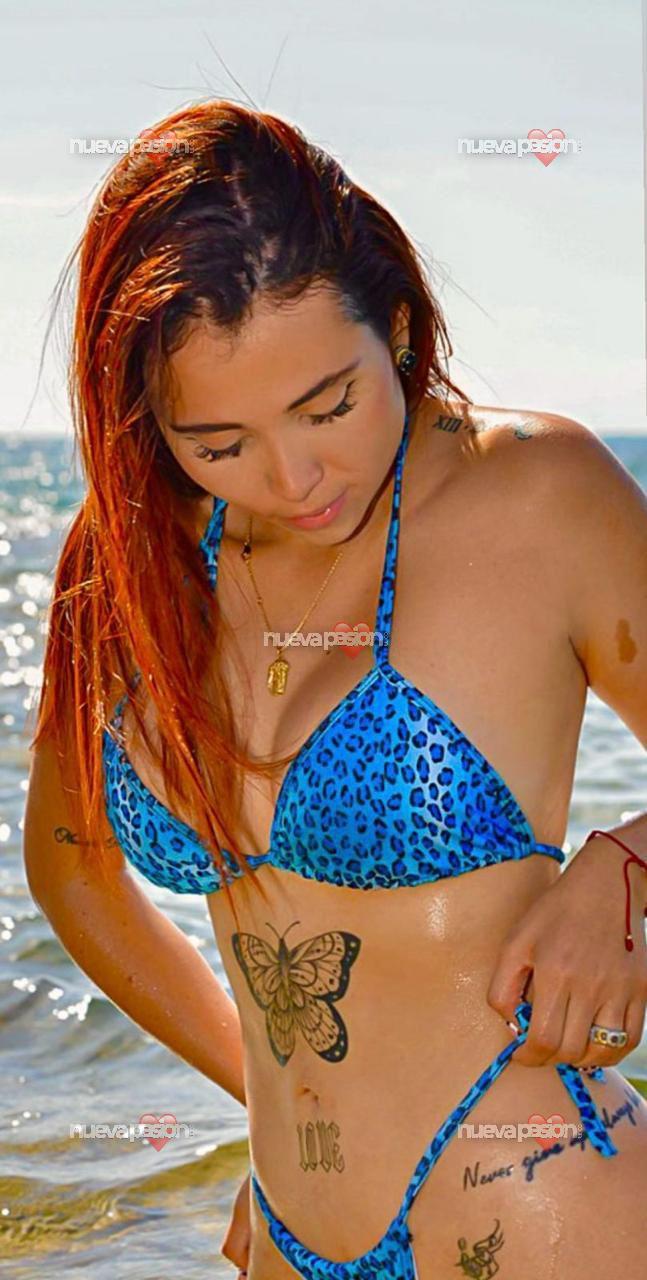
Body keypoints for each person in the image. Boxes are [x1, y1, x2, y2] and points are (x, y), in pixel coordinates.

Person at [23, 100, 647, 1280]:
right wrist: (268, 1108)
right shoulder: (130, 557)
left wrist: (625, 863)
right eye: (219, 442)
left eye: (329, 406)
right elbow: (72, 868)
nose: (295, 476)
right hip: (286, 1230)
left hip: (539, 1207)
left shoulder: (537, 496)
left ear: (396, 324)